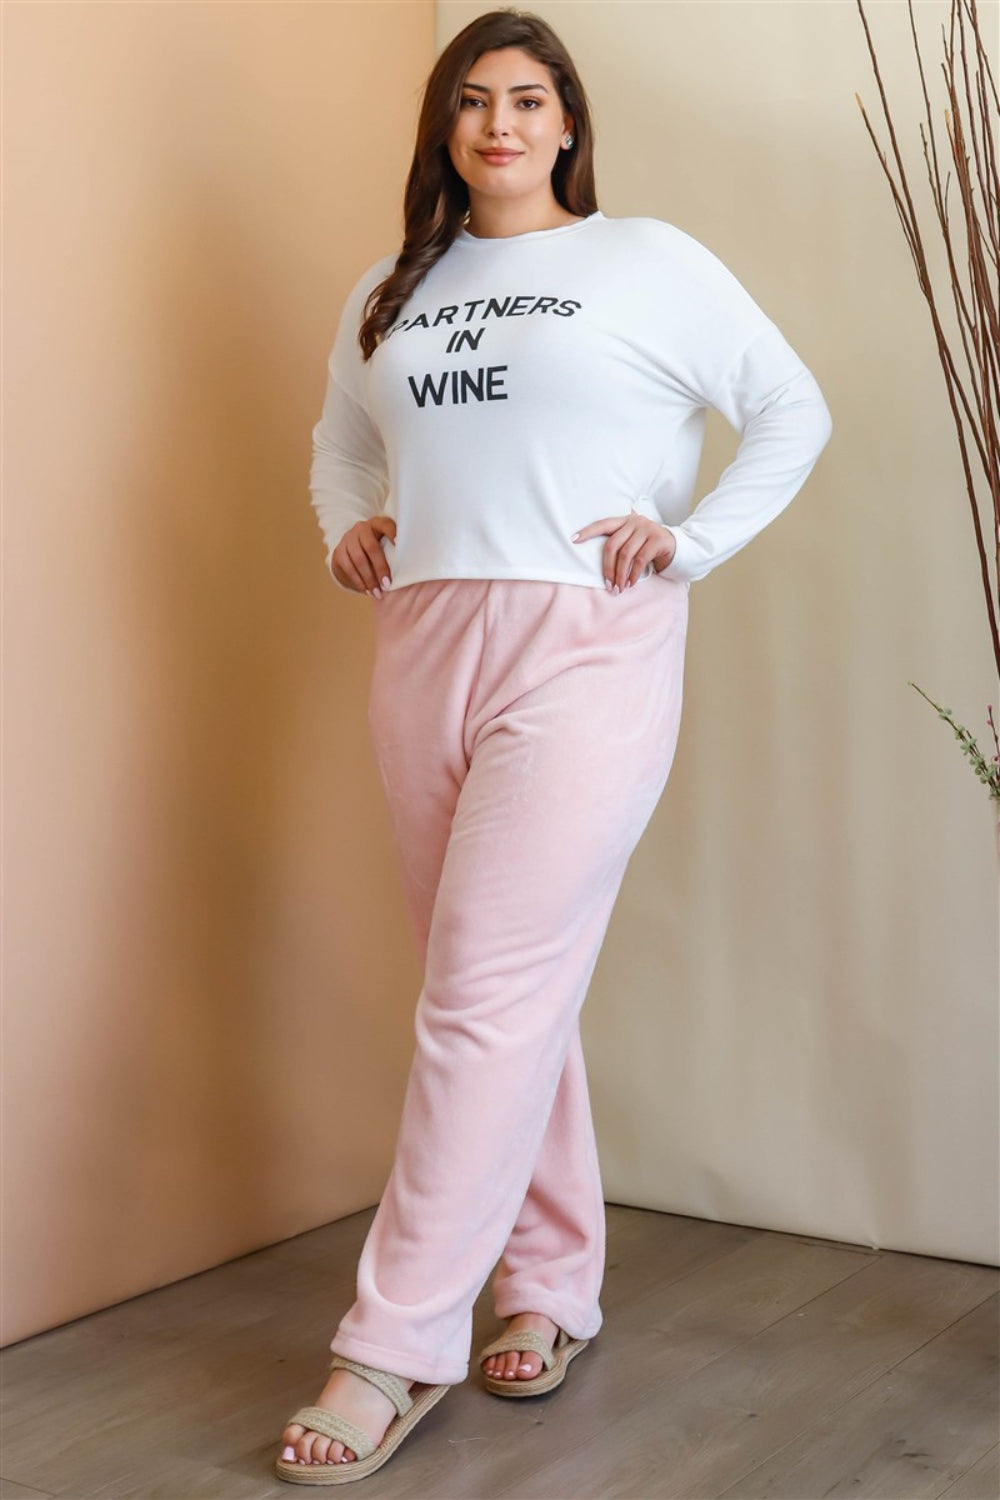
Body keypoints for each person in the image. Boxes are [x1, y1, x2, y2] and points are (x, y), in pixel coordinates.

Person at [276, 6, 832, 1486]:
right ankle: (553, 1283)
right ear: (445, 130)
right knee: (502, 988)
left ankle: (391, 1347)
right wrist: (352, 528)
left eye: (528, 99)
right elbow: (342, 441)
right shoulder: (396, 289)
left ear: (568, 122)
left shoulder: (644, 259)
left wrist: (693, 538)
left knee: (481, 996)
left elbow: (791, 407)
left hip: (587, 637)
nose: (501, 124)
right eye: (473, 101)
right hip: (422, 643)